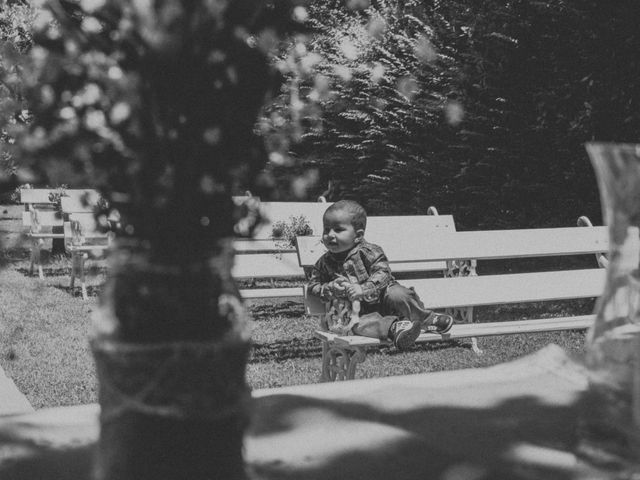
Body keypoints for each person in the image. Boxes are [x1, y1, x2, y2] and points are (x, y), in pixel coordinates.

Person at [307, 200, 453, 350]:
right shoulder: (323, 263)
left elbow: (383, 273)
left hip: (385, 299)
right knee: (357, 324)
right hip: (357, 312)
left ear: (358, 235)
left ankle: (427, 319)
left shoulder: (369, 251)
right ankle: (395, 329)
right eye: (326, 230)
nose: (330, 235)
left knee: (398, 293)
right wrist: (330, 288)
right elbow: (312, 286)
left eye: (338, 230)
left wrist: (364, 289)